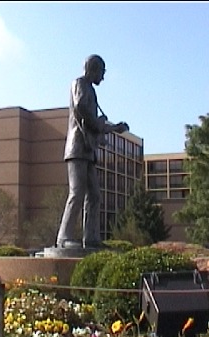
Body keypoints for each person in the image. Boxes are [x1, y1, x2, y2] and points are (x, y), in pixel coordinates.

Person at [56, 54, 129, 248]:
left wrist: (114, 128)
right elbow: (80, 107)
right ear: (93, 69)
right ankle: (64, 237)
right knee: (77, 192)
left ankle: (91, 238)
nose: (103, 78)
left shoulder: (91, 91)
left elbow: (94, 123)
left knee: (94, 194)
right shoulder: (79, 84)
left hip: (87, 150)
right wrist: (98, 125)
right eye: (102, 73)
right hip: (77, 147)